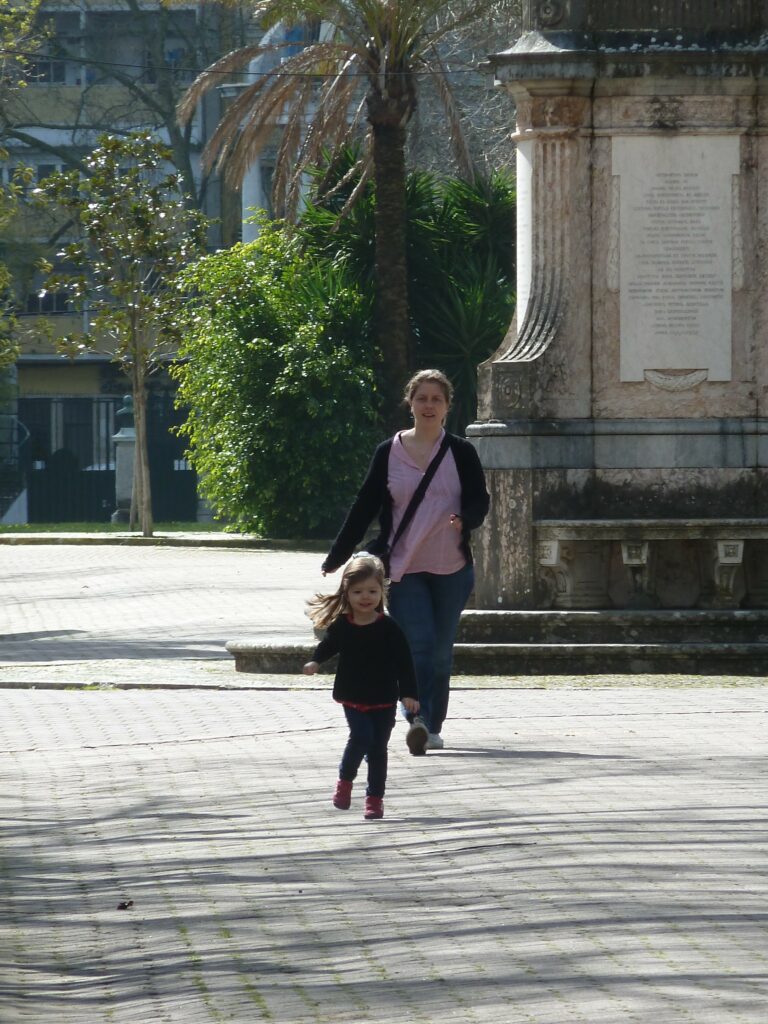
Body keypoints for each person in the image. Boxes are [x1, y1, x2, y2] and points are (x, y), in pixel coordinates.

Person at [321, 369, 490, 756]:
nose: (428, 405)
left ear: (447, 406)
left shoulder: (461, 451)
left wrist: (468, 518)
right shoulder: (389, 452)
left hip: (453, 567)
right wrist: (338, 555)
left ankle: (432, 721)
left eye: (436, 399)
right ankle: (419, 721)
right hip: (404, 567)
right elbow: (365, 505)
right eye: (422, 398)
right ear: (410, 403)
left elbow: (480, 498)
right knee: (417, 646)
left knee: (441, 651)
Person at [303, 554, 419, 820]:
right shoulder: (343, 625)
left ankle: (374, 799)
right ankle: (345, 782)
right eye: (357, 591)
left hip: (384, 697)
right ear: (346, 592)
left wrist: (410, 695)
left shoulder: (389, 628)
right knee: (361, 736)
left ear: (382, 592)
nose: (365, 597)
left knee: (378, 749)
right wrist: (315, 662)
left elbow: (405, 663)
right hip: (353, 695)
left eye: (372, 591)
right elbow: (327, 646)